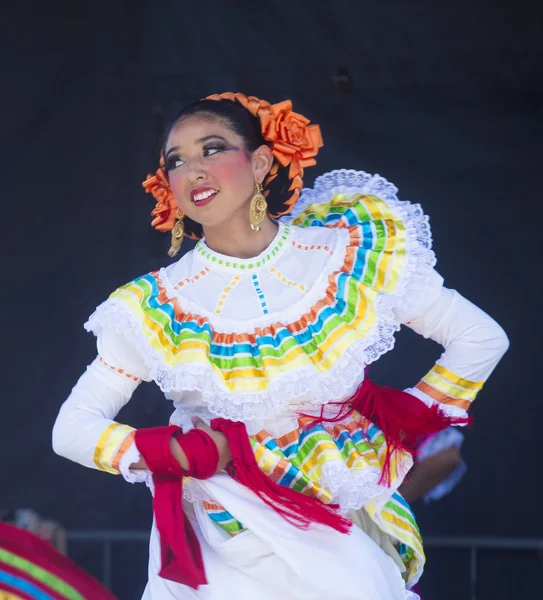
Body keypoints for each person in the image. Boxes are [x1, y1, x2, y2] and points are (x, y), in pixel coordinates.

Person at [52, 92, 509, 600]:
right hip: (224, 535)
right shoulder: (154, 305)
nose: (194, 170)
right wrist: (179, 452)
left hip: (330, 524)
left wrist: (399, 422)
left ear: (262, 161)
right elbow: (71, 428)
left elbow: (480, 338)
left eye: (212, 149)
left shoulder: (345, 257)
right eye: (176, 161)